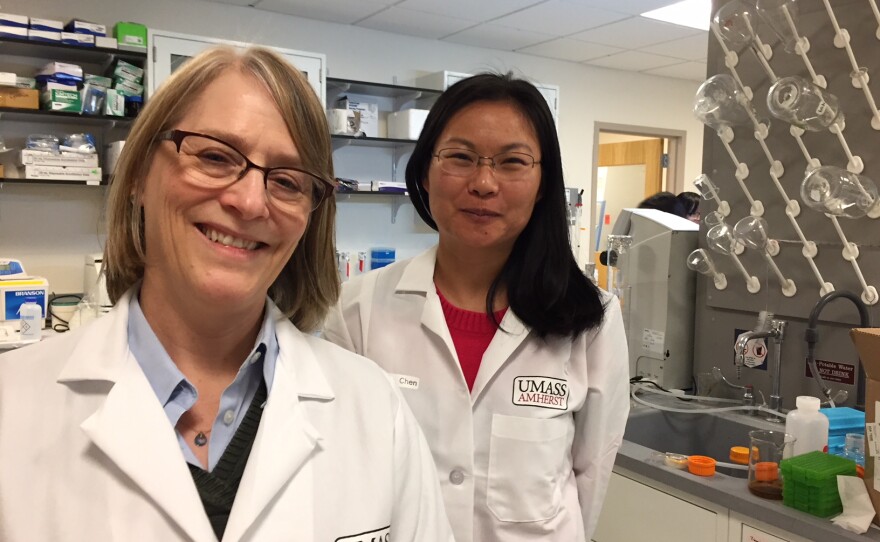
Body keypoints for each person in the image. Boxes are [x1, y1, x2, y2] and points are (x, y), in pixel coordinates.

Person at [0, 46, 453, 541]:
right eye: (215, 157)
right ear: (139, 176)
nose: (249, 201)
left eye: (287, 180)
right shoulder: (14, 404)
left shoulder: (373, 408)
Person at [323, 72, 630, 541]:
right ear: (425, 170)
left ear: (544, 182)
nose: (484, 183)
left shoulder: (591, 320)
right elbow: (346, 472)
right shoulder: (356, 310)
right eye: (461, 158)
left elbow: (591, 475)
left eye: (513, 162)